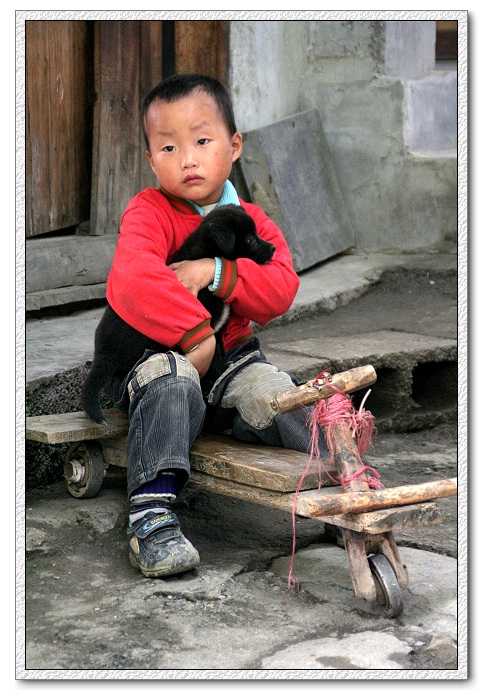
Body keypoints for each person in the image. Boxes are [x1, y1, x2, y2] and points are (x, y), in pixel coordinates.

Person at [105, 73, 327, 578]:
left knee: (275, 394)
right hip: (159, 357)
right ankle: (151, 518)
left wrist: (218, 273)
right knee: (170, 378)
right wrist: (192, 334)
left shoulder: (249, 218)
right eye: (167, 147)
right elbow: (133, 278)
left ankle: (341, 483)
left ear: (234, 146)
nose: (186, 159)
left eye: (202, 141)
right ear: (150, 160)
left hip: (232, 360)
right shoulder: (148, 213)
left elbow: (280, 286)